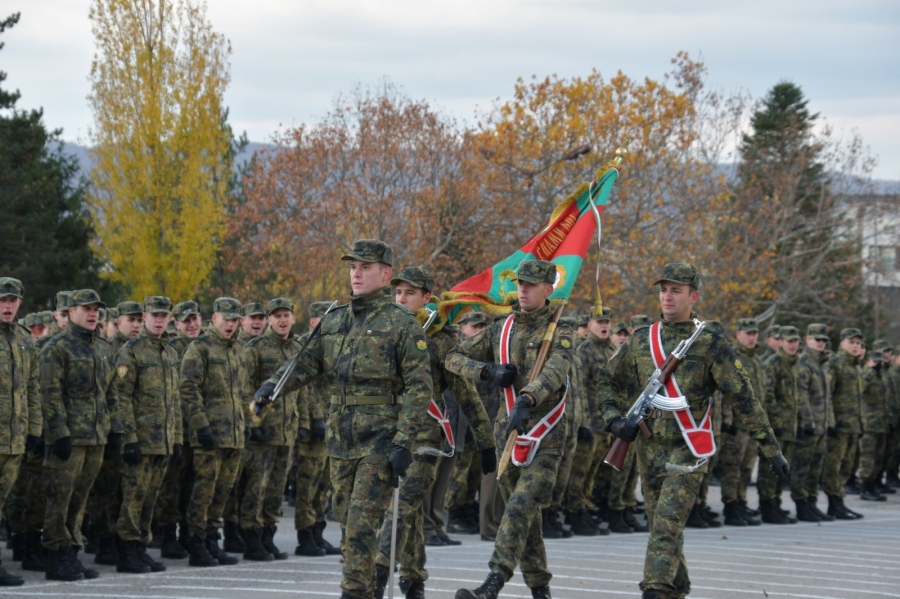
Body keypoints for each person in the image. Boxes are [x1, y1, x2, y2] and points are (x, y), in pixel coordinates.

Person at [255, 240, 433, 599]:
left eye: (365, 267)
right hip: (340, 439)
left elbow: (419, 387)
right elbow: (304, 364)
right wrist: (270, 389)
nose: (356, 273)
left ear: (385, 274)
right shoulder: (336, 319)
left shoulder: (402, 324)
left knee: (360, 529)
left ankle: (351, 593)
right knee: (348, 526)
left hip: (380, 440)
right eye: (353, 266)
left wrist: (403, 441)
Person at [598, 263, 785, 599]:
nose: (667, 296)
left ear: (693, 296)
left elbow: (744, 399)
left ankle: (654, 591)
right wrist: (614, 419)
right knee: (661, 530)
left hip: (689, 451)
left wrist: (771, 449)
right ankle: (677, 589)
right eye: (663, 289)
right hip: (649, 451)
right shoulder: (642, 340)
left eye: (676, 290)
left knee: (666, 527)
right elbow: (606, 380)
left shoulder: (711, 343)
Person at [446, 259, 574, 599]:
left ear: (549, 289)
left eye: (532, 285)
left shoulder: (561, 329)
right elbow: (453, 358)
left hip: (545, 437)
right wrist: (486, 371)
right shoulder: (500, 328)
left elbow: (556, 370)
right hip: (509, 437)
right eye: (521, 283)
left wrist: (527, 399)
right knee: (526, 521)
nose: (524, 289)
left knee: (518, 508)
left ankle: (493, 583)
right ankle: (540, 590)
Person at [373, 266, 494, 599]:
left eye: (410, 293)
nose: (401, 298)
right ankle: (414, 582)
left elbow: (466, 393)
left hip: (425, 440)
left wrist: (486, 443)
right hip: (389, 435)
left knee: (401, 506)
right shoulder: (385, 330)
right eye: (398, 292)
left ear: (427, 297)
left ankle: (375, 577)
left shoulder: (440, 339)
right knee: (406, 512)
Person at [40, 289, 116, 581]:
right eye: (86, 308)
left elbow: (110, 393)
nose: (93, 313)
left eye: (96, 308)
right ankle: (55, 555)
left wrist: (112, 431)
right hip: (69, 439)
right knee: (59, 498)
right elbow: (49, 394)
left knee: (80, 500)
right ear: (71, 312)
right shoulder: (56, 348)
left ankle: (71, 553)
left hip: (95, 436)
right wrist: (59, 433)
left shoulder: (102, 347)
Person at [111, 296, 182, 574]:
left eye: (164, 315)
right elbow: (121, 396)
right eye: (154, 315)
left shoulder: (170, 352)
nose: (159, 320)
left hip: (162, 441)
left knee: (150, 498)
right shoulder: (131, 351)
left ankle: (141, 547)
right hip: (139, 441)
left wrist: (175, 439)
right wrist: (127, 437)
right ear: (144, 317)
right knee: (133, 498)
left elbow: (173, 401)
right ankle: (127, 550)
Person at [180, 297, 247, 567]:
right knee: (204, 492)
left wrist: (246, 424)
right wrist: (201, 424)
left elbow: (242, 392)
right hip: (209, 434)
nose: (230, 324)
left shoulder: (239, 349)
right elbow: (188, 388)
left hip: (234, 433)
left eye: (234, 320)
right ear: (215, 317)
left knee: (222, 492)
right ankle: (195, 542)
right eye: (226, 319)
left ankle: (211, 540)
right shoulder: (200, 348)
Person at [240, 298, 302, 561]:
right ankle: (252, 540)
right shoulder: (256, 348)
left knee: (276, 489)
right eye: (276, 316)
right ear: (269, 320)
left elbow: (303, 392)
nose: (282, 320)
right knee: (257, 488)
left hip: (286, 432)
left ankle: (268, 536)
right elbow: (244, 388)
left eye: (286, 315)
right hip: (262, 433)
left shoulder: (298, 349)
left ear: (293, 318)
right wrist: (251, 423)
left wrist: (305, 423)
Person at [0, 278, 41, 587]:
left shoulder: (25, 340)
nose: (7, 305)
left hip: (15, 437)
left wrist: (35, 429)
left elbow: (32, 387)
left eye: (12, 300)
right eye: (3, 300)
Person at [154, 300, 202, 559]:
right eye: (186, 321)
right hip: (177, 429)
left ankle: (188, 533)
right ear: (177, 324)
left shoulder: (205, 347)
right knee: (171, 485)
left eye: (195, 319)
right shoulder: (171, 350)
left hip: (199, 429)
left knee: (192, 486)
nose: (192, 324)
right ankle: (167, 535)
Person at [718, 318, 763, 527]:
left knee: (746, 468)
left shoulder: (755, 360)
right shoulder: (731, 357)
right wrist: (729, 420)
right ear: (738, 335)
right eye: (748, 333)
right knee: (732, 467)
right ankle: (730, 505)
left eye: (754, 333)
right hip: (736, 425)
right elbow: (726, 390)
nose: (752, 337)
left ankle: (741, 501)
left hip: (752, 425)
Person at [758, 325, 802, 524]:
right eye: (789, 341)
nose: (792, 345)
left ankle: (775, 502)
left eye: (795, 341)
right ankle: (767, 506)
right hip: (776, 427)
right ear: (781, 342)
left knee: (784, 467)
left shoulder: (795, 364)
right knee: (770, 468)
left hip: (790, 426)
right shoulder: (773, 363)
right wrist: (776, 423)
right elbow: (768, 398)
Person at [823, 328, 865, 520]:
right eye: (852, 342)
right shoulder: (835, 365)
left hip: (853, 426)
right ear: (842, 344)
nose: (855, 346)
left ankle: (840, 501)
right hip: (839, 426)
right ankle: (834, 503)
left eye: (858, 343)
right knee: (834, 466)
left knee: (847, 466)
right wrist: (831, 422)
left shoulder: (856, 367)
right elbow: (828, 396)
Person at [794, 324, 835, 521]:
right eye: (817, 339)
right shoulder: (804, 364)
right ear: (807, 339)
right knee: (803, 466)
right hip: (809, 427)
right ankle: (801, 504)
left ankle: (812, 502)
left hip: (822, 426)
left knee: (816, 468)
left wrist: (830, 422)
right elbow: (801, 396)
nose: (820, 343)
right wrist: (808, 422)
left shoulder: (823, 364)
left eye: (824, 340)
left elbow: (827, 398)